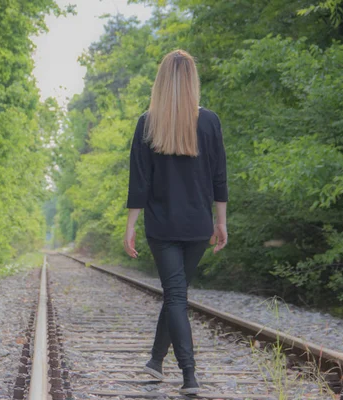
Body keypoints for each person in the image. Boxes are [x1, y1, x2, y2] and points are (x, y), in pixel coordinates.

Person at [123, 49, 228, 395]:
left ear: (161, 81)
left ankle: (189, 375)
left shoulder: (147, 123)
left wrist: (131, 227)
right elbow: (219, 178)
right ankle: (155, 361)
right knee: (176, 294)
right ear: (193, 80)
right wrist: (220, 222)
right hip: (198, 226)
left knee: (175, 295)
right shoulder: (210, 121)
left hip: (163, 227)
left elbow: (139, 183)